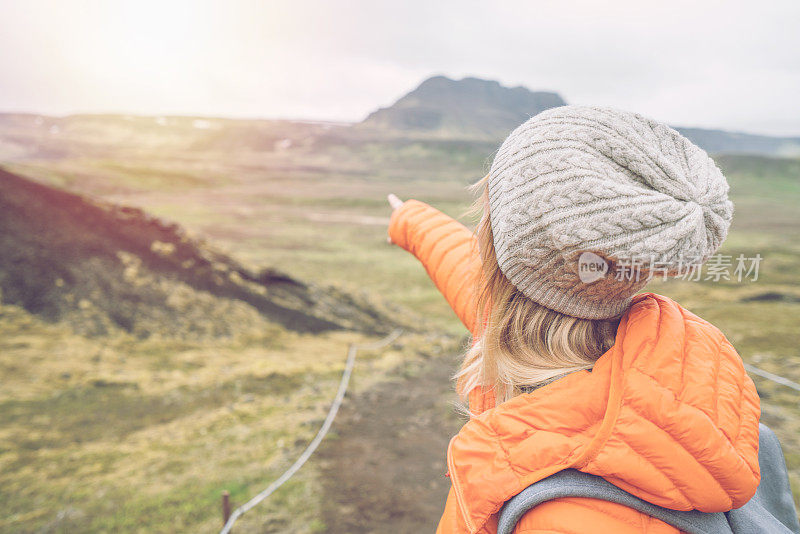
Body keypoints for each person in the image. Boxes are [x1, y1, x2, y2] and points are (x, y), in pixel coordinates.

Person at [386, 106, 762, 533]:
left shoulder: (568, 518)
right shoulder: (662, 353)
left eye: (490, 211)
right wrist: (410, 220)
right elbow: (462, 266)